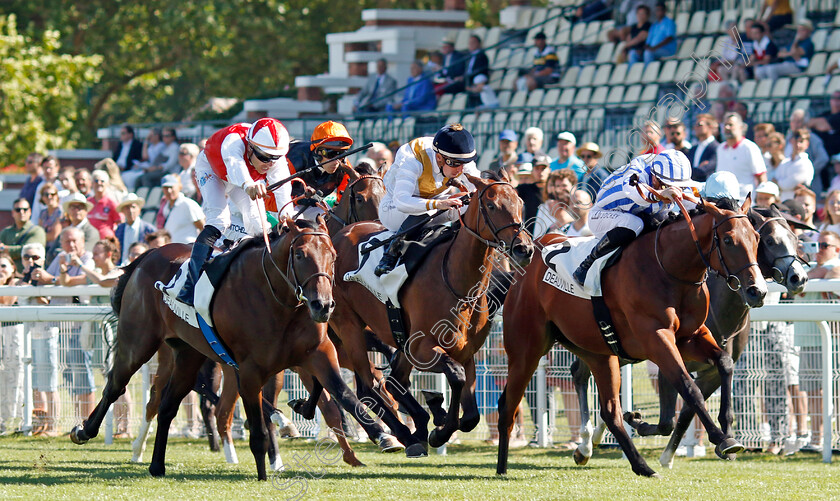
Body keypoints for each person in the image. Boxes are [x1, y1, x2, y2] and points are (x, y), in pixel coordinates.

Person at [174, 118, 293, 306]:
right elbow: (235, 165)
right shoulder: (234, 141)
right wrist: (248, 184)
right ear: (251, 147)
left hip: (241, 179)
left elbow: (283, 190)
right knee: (219, 220)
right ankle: (190, 285)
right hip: (212, 170)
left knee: (258, 225)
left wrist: (287, 216)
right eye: (264, 157)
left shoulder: (273, 155)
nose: (269, 163)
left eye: (275, 158)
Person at [573, 150, 699, 286]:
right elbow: (636, 193)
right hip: (602, 215)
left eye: (680, 187)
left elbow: (693, 202)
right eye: (667, 185)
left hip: (636, 212)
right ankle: (586, 264)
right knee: (634, 223)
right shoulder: (637, 170)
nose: (675, 191)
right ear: (655, 178)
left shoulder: (665, 174)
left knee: (666, 219)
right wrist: (662, 193)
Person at [374, 124, 480, 276]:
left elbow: (478, 185)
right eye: (455, 164)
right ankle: (391, 254)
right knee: (428, 209)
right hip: (395, 209)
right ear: (439, 158)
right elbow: (402, 201)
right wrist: (439, 204)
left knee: (472, 206)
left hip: (433, 204)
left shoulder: (456, 157)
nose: (460, 170)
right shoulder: (412, 159)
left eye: (464, 164)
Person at [30, 227, 96, 425]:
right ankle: (78, 421)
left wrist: (52, 279)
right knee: (69, 376)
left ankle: (87, 422)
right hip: (59, 326)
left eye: (75, 241)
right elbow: (44, 280)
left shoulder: (88, 259)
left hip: (78, 326)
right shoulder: (60, 257)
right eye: (67, 241)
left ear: (83, 241)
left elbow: (80, 280)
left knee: (83, 374)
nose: (71, 245)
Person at [792, 230, 840, 453]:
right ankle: (817, 439)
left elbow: (826, 273)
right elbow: (797, 285)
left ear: (836, 249)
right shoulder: (807, 268)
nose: (819, 250)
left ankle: (834, 438)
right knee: (812, 391)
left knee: (835, 391)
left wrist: (817, 272)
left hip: (833, 339)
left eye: (824, 245)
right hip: (808, 338)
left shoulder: (836, 266)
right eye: (816, 245)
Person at [18, 243, 60, 436]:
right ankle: (38, 424)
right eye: (27, 257)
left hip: (47, 334)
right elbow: (15, 297)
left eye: (35, 257)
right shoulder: (19, 281)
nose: (31, 261)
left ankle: (53, 425)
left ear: (43, 260)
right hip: (26, 337)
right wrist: (26, 279)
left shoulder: (51, 279)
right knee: (33, 383)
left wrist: (42, 282)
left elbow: (72, 298)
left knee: (49, 383)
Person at [283, 121, 354, 220]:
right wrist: (298, 200)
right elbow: (271, 199)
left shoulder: (344, 166)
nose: (337, 161)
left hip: (311, 206)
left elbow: (344, 201)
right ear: (317, 152)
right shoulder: (292, 159)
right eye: (331, 154)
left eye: (342, 154)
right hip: (277, 204)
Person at [716, 112, 767, 199]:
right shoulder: (720, 149)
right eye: (725, 125)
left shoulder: (749, 147)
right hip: (724, 202)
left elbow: (761, 176)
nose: (727, 127)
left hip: (744, 202)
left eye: (730, 124)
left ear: (741, 127)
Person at [0, 252, 23, 434]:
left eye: (3, 266)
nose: (0, 270)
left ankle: (18, 420)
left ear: (12, 269)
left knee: (15, 377)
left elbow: (6, 303)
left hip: (13, 336)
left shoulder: (16, 284)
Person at [0, 198, 46, 273]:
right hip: (9, 276)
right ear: (13, 212)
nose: (21, 212)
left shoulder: (37, 231)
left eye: (25, 209)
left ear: (30, 211)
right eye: (18, 210)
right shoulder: (6, 232)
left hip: (31, 275)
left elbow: (27, 251)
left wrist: (5, 249)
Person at [157, 174, 204, 245]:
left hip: (189, 250)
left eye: (171, 187)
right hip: (174, 251)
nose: (169, 191)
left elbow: (203, 227)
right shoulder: (165, 207)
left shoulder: (188, 204)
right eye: (166, 188)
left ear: (179, 187)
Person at [534, 169, 578, 238]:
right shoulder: (546, 208)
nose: (560, 189)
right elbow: (537, 236)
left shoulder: (580, 205)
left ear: (574, 187)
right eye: (557, 186)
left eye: (564, 185)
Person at [772, 128, 814, 200]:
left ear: (807, 144)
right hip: (783, 203)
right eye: (796, 141)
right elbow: (773, 181)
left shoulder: (805, 163)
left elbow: (787, 185)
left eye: (801, 141)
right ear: (791, 141)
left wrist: (778, 183)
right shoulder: (784, 162)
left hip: (798, 205)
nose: (798, 144)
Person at [115, 193, 155, 265]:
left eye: (133, 207)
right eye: (127, 208)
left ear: (139, 210)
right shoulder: (119, 229)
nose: (130, 211)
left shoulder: (148, 229)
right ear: (123, 211)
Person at [86, 170, 123, 239]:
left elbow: (120, 221)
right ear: (92, 183)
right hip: (89, 239)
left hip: (105, 240)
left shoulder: (111, 202)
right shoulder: (88, 202)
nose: (99, 183)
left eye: (102, 181)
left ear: (107, 184)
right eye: (96, 181)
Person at [687, 114, 719, 181]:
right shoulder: (693, 148)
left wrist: (690, 171)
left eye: (699, 125)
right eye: (695, 125)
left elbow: (704, 171)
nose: (695, 128)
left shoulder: (716, 147)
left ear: (710, 126)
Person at [808, 91, 840, 157]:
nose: (836, 101)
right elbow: (809, 123)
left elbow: (824, 126)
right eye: (834, 98)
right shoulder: (825, 114)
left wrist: (817, 124)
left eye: (839, 98)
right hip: (822, 152)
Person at [37, 184, 63, 262]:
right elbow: (39, 233)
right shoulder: (43, 213)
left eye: (52, 194)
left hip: (56, 249)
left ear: (57, 196)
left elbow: (54, 235)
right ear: (42, 197)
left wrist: (41, 237)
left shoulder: (60, 211)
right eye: (46, 194)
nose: (49, 197)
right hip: (44, 248)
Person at [31, 155, 61, 224]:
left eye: (50, 168)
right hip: (44, 222)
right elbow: (36, 208)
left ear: (57, 167)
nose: (48, 170)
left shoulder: (62, 184)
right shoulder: (40, 186)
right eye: (45, 168)